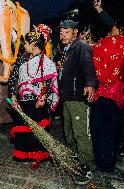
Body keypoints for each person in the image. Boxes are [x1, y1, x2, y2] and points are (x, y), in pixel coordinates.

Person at [8, 26, 59, 169]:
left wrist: (43, 97)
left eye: (26, 43)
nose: (24, 46)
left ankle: (38, 157)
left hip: (37, 102)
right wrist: (14, 96)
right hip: (24, 102)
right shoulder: (22, 61)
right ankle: (28, 154)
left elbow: (50, 81)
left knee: (37, 132)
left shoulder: (46, 62)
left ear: (33, 44)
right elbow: (14, 80)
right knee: (25, 131)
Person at [59, 20, 98, 184]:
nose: (62, 35)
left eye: (66, 32)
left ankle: (87, 166)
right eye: (61, 32)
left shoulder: (81, 47)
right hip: (67, 97)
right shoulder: (66, 50)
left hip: (78, 99)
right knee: (69, 132)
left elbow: (88, 67)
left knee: (81, 133)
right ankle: (76, 162)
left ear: (75, 33)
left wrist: (90, 85)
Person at [91, 34, 124, 172]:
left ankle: (103, 161)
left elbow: (95, 55)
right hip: (118, 93)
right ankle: (110, 160)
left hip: (104, 92)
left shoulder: (109, 43)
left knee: (101, 129)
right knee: (113, 129)